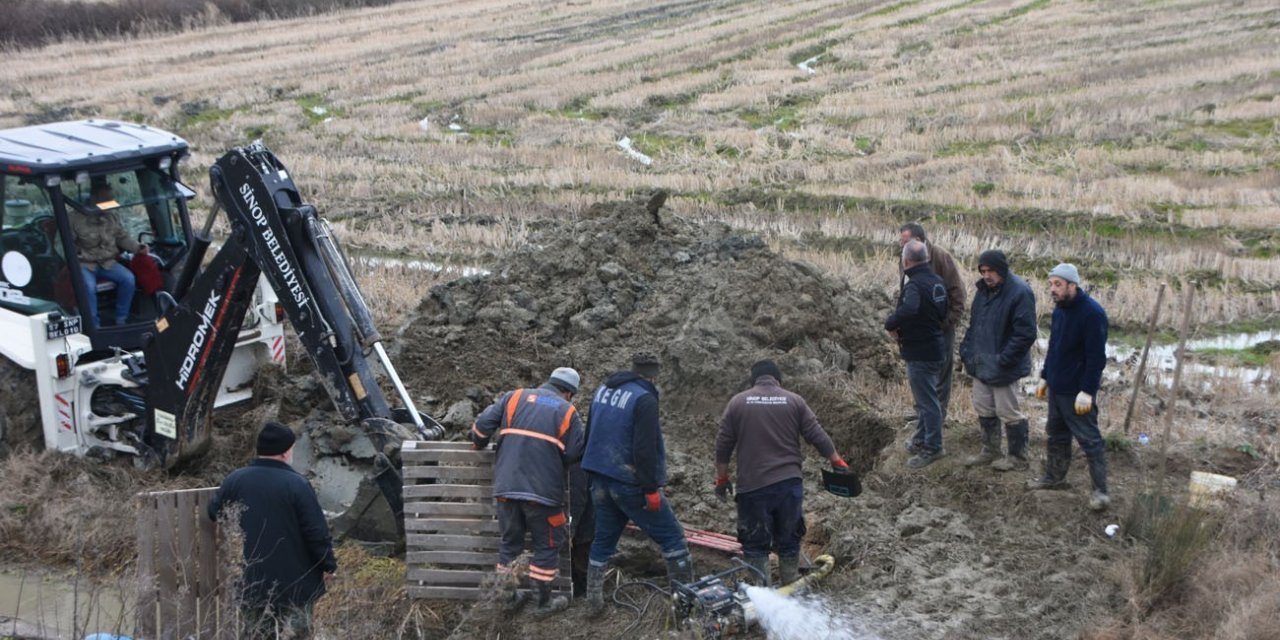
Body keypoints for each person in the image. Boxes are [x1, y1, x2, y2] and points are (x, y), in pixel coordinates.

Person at [713, 360, 850, 586]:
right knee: (789, 539)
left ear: (753, 380)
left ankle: (763, 592)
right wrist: (837, 461)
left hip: (753, 487)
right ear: (778, 380)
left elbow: (722, 445)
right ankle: (791, 584)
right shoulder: (794, 400)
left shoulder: (738, 402)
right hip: (789, 484)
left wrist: (722, 478)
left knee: (755, 542)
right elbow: (817, 434)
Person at [581, 352, 691, 612]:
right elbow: (644, 448)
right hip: (628, 482)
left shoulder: (603, 390)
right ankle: (686, 606)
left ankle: (593, 603)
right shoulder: (645, 398)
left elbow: (590, 432)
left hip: (599, 478)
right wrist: (650, 488)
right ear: (653, 376)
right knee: (673, 539)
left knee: (603, 541)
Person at [470, 367, 585, 617]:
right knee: (548, 543)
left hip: (506, 490)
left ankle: (509, 598)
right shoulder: (567, 412)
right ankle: (543, 604)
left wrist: (479, 443)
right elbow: (575, 454)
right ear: (569, 393)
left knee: (511, 542)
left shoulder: (514, 397)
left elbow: (480, 429)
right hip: (543, 495)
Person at [207, 422, 336, 639]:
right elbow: (315, 532)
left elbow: (214, 512)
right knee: (298, 634)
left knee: (256, 634)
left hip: (254, 580)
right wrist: (328, 564)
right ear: (286, 452)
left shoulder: (236, 479)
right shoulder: (297, 485)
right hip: (296, 583)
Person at [1027, 263, 1111, 511]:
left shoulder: (1092, 314)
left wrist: (1087, 390)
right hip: (1057, 387)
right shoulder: (1060, 310)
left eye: (1057, 284)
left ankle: (1100, 492)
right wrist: (1045, 376)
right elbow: (1055, 347)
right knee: (1056, 435)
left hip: (1077, 393)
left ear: (1072, 286)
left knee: (1090, 440)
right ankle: (1054, 478)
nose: (1052, 289)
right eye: (1051, 284)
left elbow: (1096, 357)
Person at [958, 250, 1037, 471]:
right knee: (984, 407)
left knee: (1008, 411)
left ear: (1001, 269)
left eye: (990, 270)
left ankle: (1018, 457)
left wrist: (1004, 360)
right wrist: (966, 351)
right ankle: (990, 450)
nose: (986, 275)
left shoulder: (1020, 292)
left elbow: (1025, 334)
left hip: (1004, 366)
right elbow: (975, 325)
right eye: (982, 271)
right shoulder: (983, 292)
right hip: (981, 362)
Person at [886, 240, 949, 469]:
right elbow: (942, 312)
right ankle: (921, 438)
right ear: (927, 259)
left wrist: (891, 323)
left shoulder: (914, 285)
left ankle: (934, 447)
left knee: (928, 402)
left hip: (920, 351)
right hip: (935, 347)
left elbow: (910, 308)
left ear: (906, 261)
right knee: (926, 398)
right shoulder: (937, 282)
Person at [898, 223, 966, 425]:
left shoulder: (941, 257)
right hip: (918, 329)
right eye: (901, 242)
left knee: (941, 372)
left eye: (905, 241)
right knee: (919, 372)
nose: (902, 245)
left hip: (939, 326)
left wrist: (946, 322)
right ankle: (922, 411)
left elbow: (958, 294)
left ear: (919, 240)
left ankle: (938, 415)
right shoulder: (905, 257)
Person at [70, 178, 148, 327]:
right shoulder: (74, 219)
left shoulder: (112, 215)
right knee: (88, 287)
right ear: (94, 199)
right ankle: (94, 326)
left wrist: (138, 248)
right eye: (105, 200)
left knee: (128, 279)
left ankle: (121, 319)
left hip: (108, 262)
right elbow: (63, 244)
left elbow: (121, 237)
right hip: (85, 264)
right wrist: (75, 255)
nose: (109, 204)